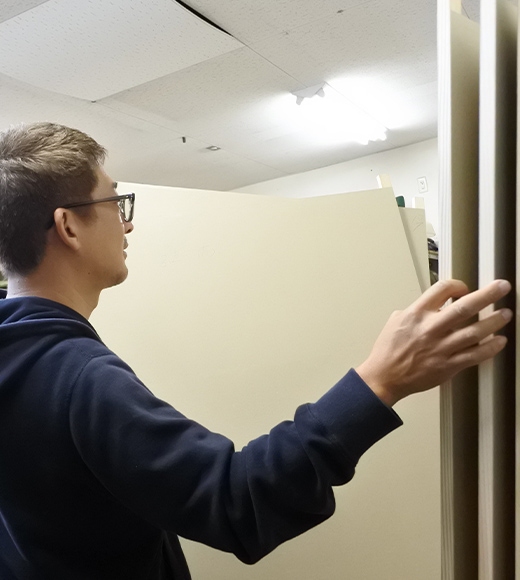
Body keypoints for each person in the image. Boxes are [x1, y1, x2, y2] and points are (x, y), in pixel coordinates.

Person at [0, 122, 512, 580]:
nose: (127, 223)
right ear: (69, 226)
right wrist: (380, 380)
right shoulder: (79, 377)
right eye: (115, 203)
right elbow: (235, 502)